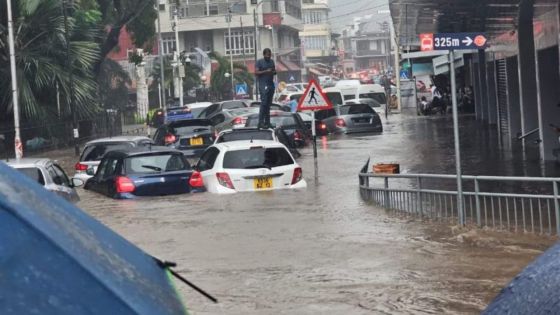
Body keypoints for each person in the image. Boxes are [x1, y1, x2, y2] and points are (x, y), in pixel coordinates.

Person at [255, 48, 277, 129]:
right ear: (264, 55)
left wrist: (273, 71)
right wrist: (266, 71)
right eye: (267, 55)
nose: (268, 57)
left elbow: (274, 71)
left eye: (270, 55)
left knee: (268, 104)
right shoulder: (259, 62)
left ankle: (267, 122)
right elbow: (256, 72)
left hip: (271, 84)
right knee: (264, 103)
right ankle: (260, 122)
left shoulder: (272, 61)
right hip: (263, 84)